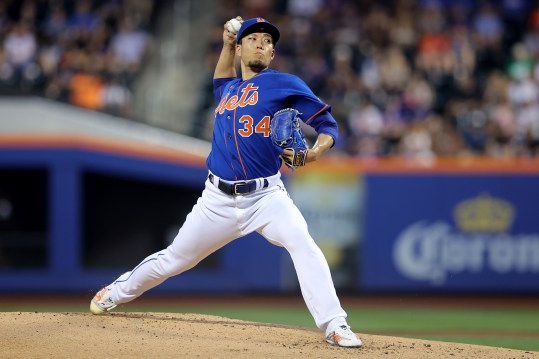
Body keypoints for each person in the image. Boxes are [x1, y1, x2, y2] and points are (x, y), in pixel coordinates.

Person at [90, 16, 362, 348]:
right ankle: (115, 292)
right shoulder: (228, 88)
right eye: (254, 38)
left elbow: (328, 125)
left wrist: (316, 153)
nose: (261, 42)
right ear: (240, 47)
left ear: (273, 53)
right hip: (216, 200)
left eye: (267, 40)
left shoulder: (284, 83)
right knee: (175, 259)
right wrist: (225, 44)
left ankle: (335, 324)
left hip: (266, 197)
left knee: (303, 245)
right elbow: (221, 73)